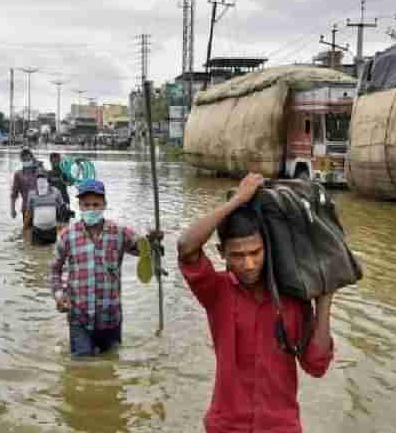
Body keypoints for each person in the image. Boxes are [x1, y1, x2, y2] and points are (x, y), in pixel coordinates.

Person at [176, 173, 335, 433]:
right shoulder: (217, 291)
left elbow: (316, 366)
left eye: (255, 252)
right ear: (222, 254)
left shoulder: (294, 298)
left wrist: (325, 300)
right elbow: (186, 247)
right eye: (237, 255)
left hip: (280, 427)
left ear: (268, 248)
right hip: (226, 426)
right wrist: (237, 200)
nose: (248, 264)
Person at [50, 178, 160, 357]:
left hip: (110, 317)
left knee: (111, 364)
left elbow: (144, 251)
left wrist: (153, 241)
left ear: (104, 205)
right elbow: (55, 270)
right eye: (86, 205)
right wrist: (59, 295)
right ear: (79, 206)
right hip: (79, 317)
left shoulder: (119, 232)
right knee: (81, 368)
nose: (91, 209)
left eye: (96, 204)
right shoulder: (67, 235)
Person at [25, 171, 66, 245]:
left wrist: (62, 226)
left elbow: (62, 209)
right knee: (36, 253)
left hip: (52, 230)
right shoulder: (32, 194)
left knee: (51, 252)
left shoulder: (56, 192)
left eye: (43, 178)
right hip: (37, 230)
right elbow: (28, 213)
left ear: (48, 180)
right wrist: (25, 228)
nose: (41, 181)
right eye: (39, 178)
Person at [10, 148, 39, 229]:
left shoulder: (39, 171)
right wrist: (12, 209)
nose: (26, 161)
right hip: (26, 208)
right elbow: (14, 194)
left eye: (28, 159)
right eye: (24, 159)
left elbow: (50, 187)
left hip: (41, 207)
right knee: (28, 234)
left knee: (41, 235)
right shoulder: (18, 174)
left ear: (32, 158)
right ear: (21, 160)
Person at [47, 152, 74, 223]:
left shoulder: (64, 173)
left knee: (65, 223)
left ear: (60, 161)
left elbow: (71, 183)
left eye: (57, 161)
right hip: (53, 203)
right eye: (53, 162)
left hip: (65, 201)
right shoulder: (48, 174)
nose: (55, 163)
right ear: (50, 162)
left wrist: (69, 177)